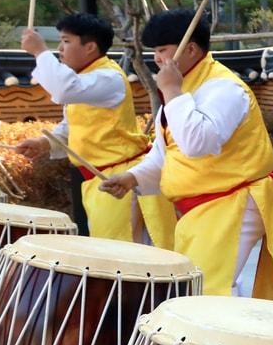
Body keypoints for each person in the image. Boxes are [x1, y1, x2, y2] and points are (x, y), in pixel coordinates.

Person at [99, 9, 273, 308]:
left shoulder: (225, 88)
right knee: (201, 285)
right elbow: (166, 154)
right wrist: (133, 177)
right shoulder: (182, 92)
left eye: (162, 50)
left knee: (210, 288)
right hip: (205, 204)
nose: (157, 59)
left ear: (191, 49)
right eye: (154, 52)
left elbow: (197, 143)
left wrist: (172, 92)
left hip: (233, 200)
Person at [15, 14, 175, 247]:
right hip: (101, 179)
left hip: (122, 178)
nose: (59, 48)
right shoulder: (87, 78)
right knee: (113, 251)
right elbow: (74, 125)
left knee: (123, 254)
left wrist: (40, 51)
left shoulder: (108, 77)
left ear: (90, 47)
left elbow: (63, 89)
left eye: (66, 41)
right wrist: (44, 143)